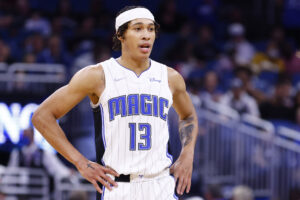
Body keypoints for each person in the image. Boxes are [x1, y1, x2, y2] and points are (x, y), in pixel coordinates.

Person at [32, 6, 198, 200]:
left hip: (161, 185)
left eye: (150, 29)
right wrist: (80, 162)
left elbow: (188, 115)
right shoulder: (97, 75)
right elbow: (42, 116)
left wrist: (188, 152)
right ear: (121, 35)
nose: (146, 35)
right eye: (138, 29)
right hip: (118, 187)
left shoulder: (170, 77)